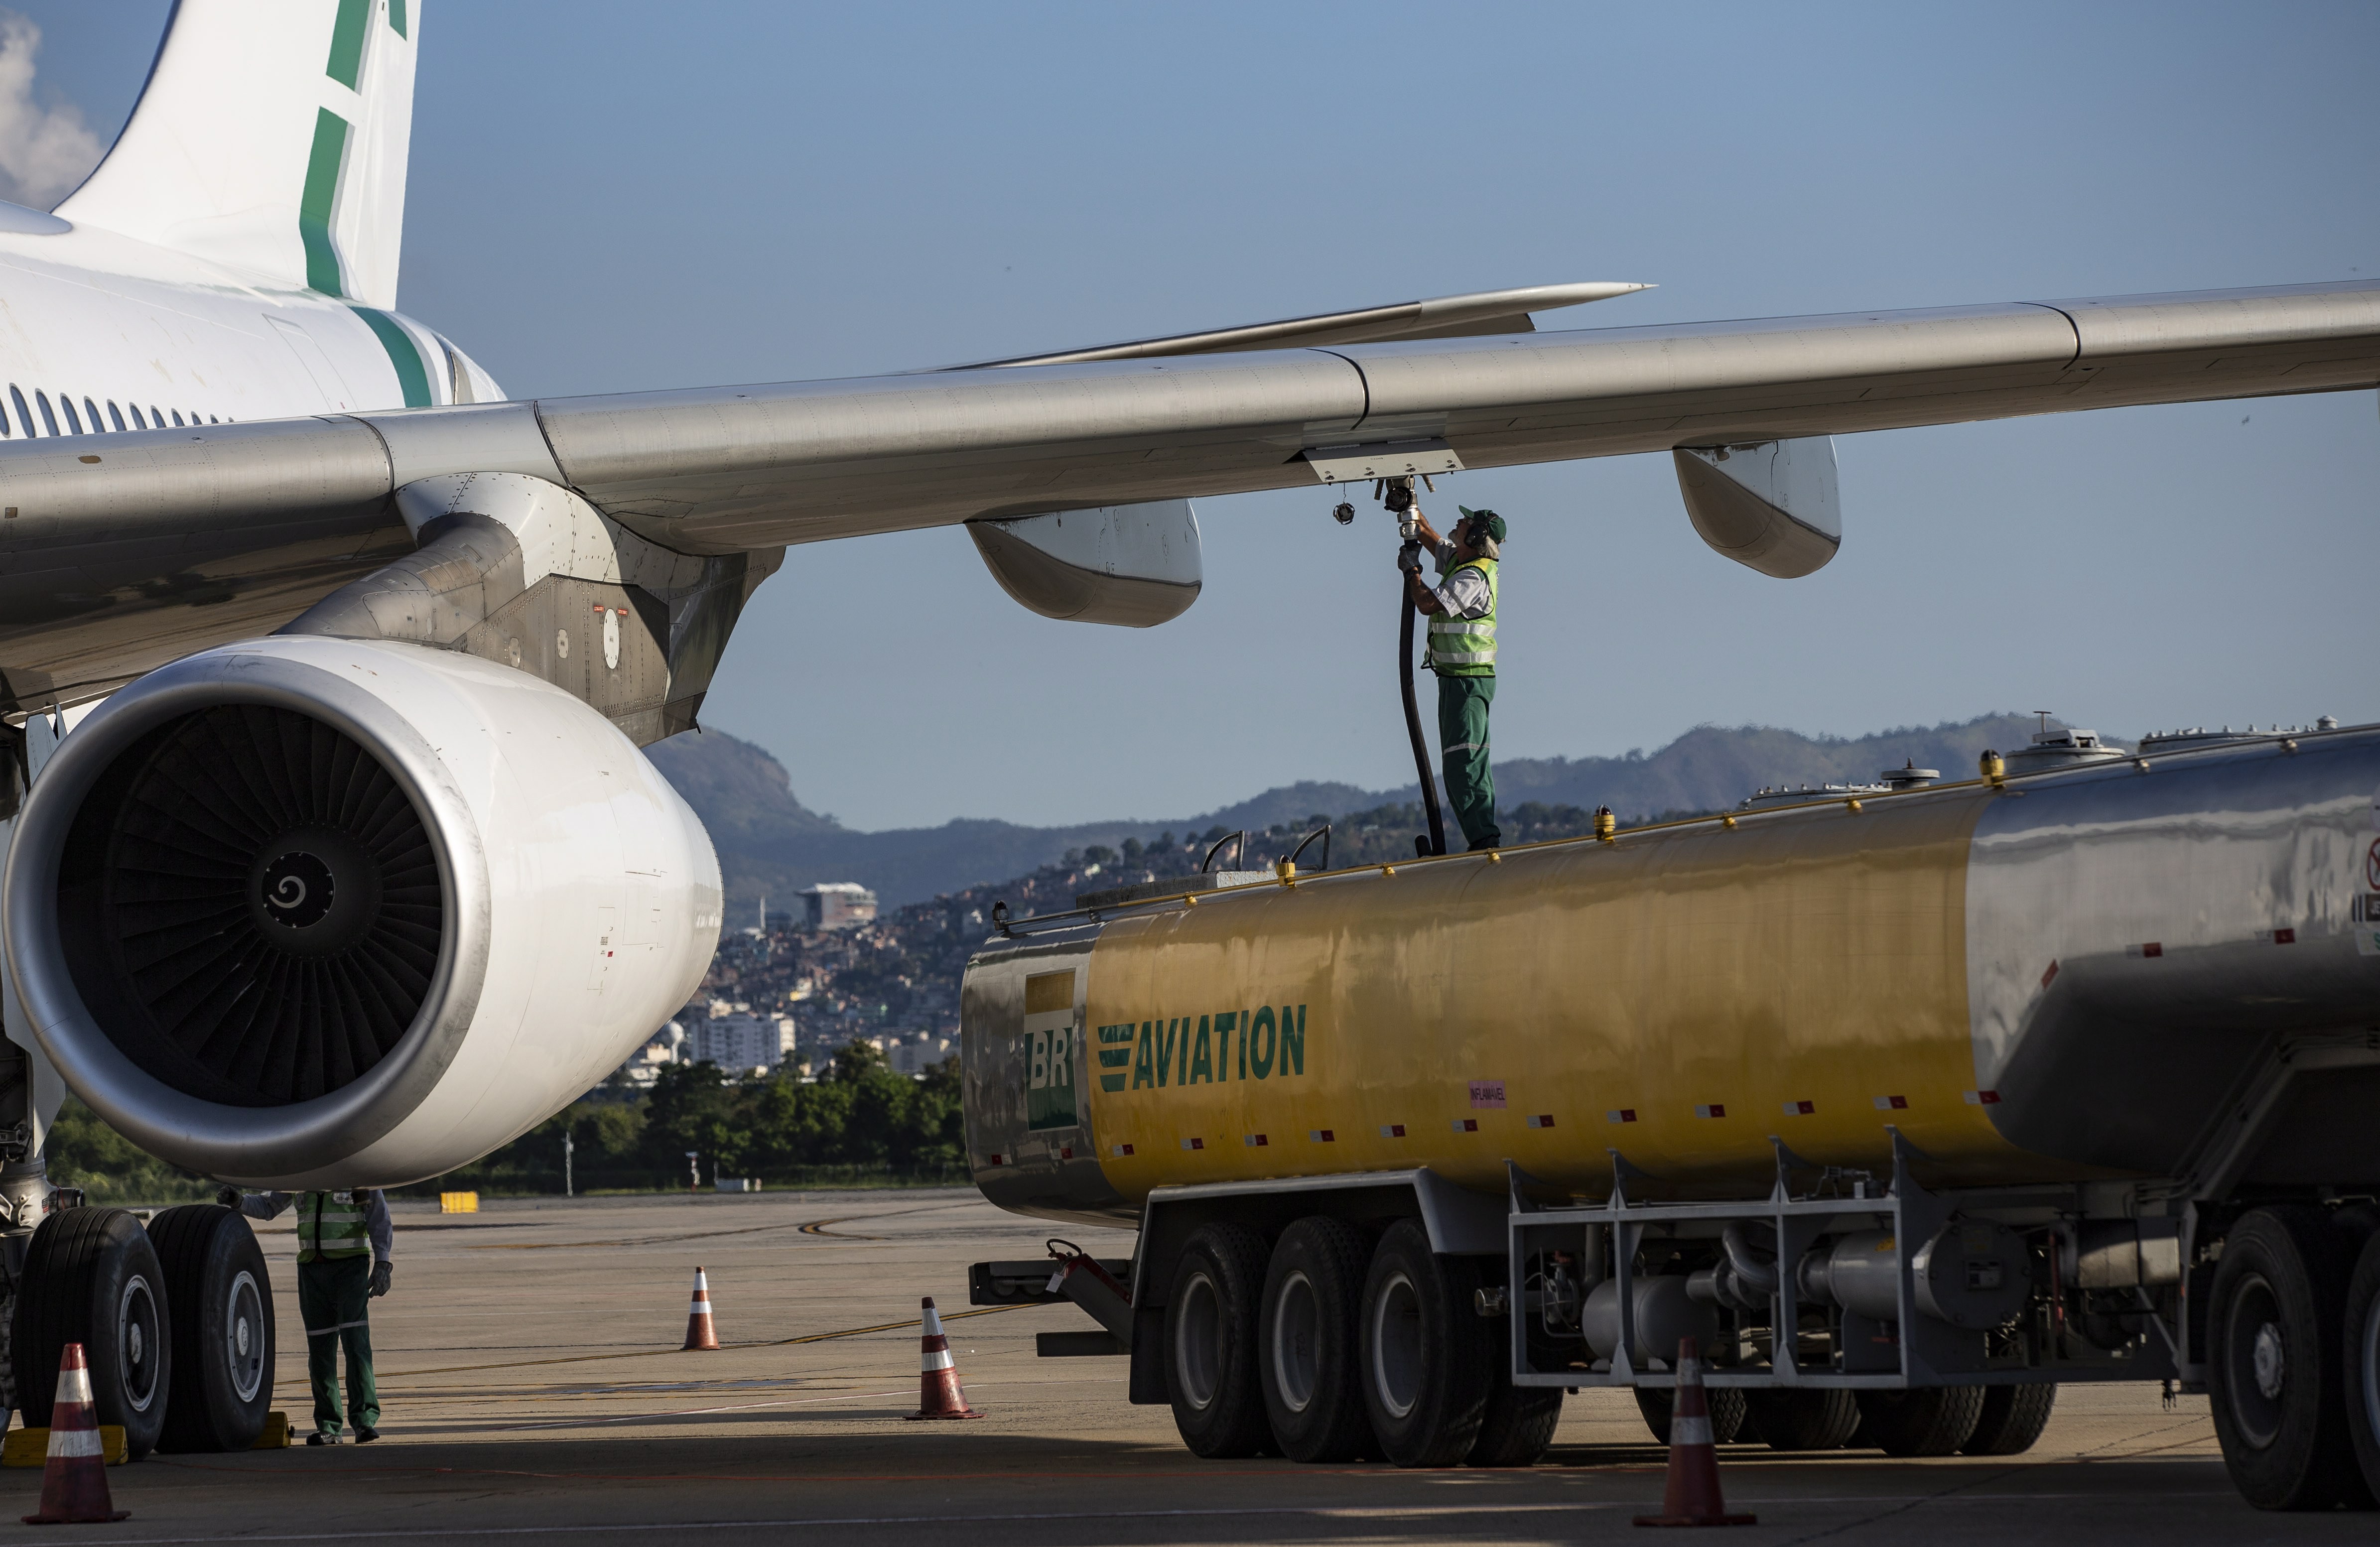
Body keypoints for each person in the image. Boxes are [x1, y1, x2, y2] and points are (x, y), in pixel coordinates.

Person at [219, 1185, 393, 1444]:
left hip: (350, 1267)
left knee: (356, 1345)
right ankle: (330, 1426)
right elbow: (269, 1207)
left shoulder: (353, 1172)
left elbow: (378, 1217)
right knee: (320, 1350)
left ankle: (364, 1421)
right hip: (312, 1270)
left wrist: (383, 1262)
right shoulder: (299, 1175)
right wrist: (239, 1202)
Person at [1404, 504, 1506, 851]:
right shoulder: (1459, 562)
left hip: (1467, 681)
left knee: (1465, 763)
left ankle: (1484, 839)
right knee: (1462, 760)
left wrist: (1412, 575)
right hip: (1455, 680)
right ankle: (1482, 836)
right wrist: (1407, 505)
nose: (1459, 521)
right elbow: (1428, 533)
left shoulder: (1472, 578)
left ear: (1477, 536)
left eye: (1466, 522)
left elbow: (1427, 604)